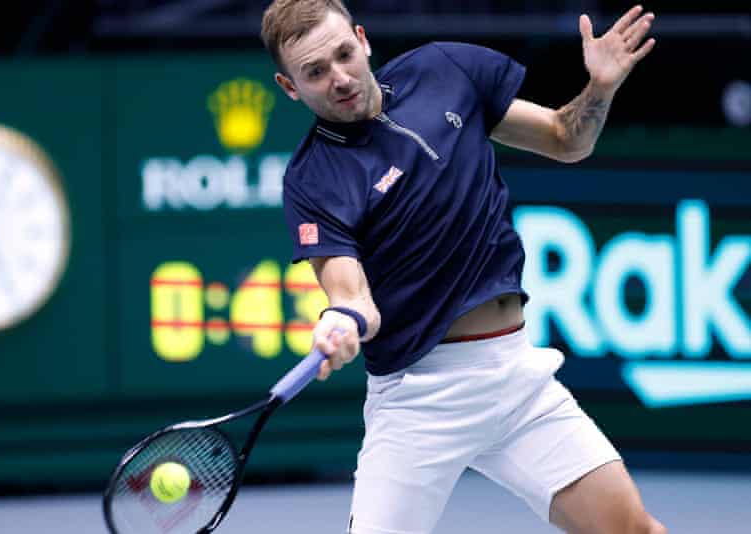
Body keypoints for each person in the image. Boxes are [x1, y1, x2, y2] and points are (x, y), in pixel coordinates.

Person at [261, 1, 665, 533]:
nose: (339, 78)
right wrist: (342, 320)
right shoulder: (314, 180)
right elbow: (351, 294)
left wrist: (600, 89)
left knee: (635, 530)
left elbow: (567, 140)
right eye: (315, 72)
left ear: (362, 40)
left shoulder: (444, 70)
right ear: (290, 87)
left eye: (343, 55)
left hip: (517, 378)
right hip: (419, 400)